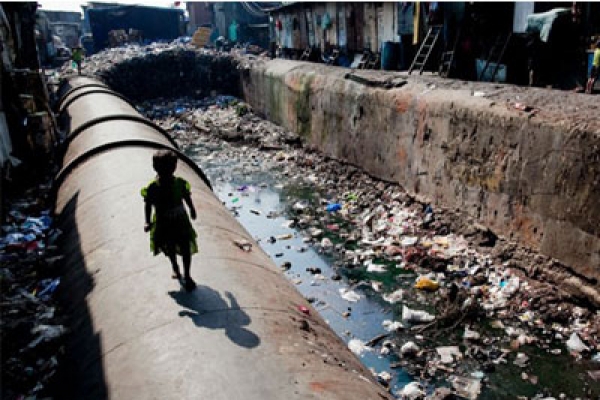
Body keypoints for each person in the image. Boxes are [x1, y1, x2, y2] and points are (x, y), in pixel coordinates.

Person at [141, 150, 198, 291]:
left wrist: (192, 209)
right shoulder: (153, 188)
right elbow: (148, 204)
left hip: (180, 221)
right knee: (169, 247)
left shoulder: (179, 183)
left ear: (174, 168)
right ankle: (175, 267)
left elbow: (186, 196)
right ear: (156, 168)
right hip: (163, 222)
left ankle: (187, 275)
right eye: (164, 169)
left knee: (185, 248)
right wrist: (147, 221)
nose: (168, 172)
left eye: (170, 168)